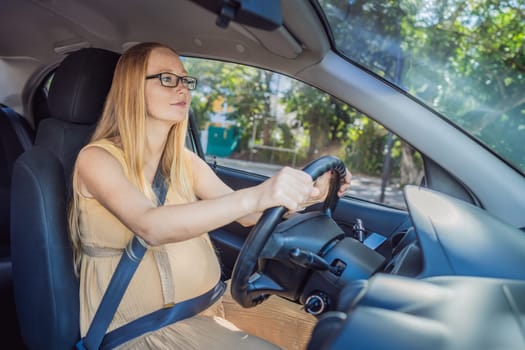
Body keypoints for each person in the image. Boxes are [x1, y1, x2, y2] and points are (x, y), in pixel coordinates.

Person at [68, 42, 352, 349]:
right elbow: (150, 225)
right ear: (131, 88)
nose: (182, 89)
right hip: (143, 328)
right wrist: (258, 194)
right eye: (166, 78)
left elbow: (247, 215)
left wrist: (310, 193)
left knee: (338, 337)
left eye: (185, 80)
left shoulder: (181, 160)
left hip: (216, 301)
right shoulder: (96, 159)